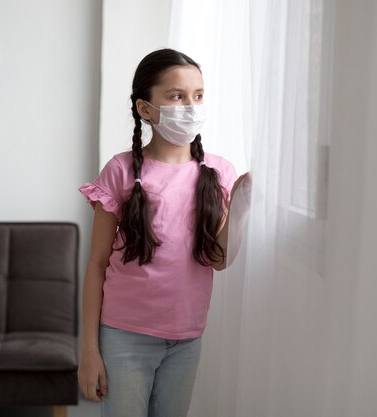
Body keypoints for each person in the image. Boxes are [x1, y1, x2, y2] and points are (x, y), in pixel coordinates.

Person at [77, 48, 251, 417]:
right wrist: (89, 351)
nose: (191, 106)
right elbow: (96, 265)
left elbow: (218, 260)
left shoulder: (218, 173)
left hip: (187, 338)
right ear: (145, 109)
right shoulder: (120, 171)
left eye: (198, 96)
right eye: (176, 96)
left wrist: (239, 207)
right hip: (124, 336)